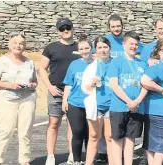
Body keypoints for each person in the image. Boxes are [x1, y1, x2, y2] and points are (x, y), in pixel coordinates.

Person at [0, 33, 37, 165]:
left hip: (27, 99)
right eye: (15, 43)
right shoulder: (2, 61)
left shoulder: (30, 62)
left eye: (21, 43)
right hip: (7, 99)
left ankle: (24, 160)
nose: (18, 45)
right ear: (10, 45)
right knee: (5, 130)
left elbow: (35, 81)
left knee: (25, 131)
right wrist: (9, 85)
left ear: (24, 46)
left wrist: (32, 84)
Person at [40, 17, 78, 165]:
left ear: (73, 29)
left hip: (74, 92)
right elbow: (42, 69)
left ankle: (72, 154)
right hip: (56, 90)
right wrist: (49, 87)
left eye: (68, 27)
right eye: (62, 29)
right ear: (58, 31)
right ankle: (50, 156)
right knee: (54, 123)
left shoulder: (79, 47)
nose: (66, 30)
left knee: (72, 124)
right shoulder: (51, 47)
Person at [107, 31, 148, 165]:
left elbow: (145, 85)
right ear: (124, 44)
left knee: (131, 139)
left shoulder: (142, 64)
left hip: (137, 108)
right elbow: (114, 84)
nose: (134, 47)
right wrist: (129, 101)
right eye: (131, 43)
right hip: (119, 107)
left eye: (136, 44)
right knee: (117, 139)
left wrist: (137, 101)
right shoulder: (116, 62)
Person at [61, 34, 97, 165]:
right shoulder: (74, 65)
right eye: (81, 49)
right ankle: (76, 160)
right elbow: (69, 84)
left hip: (92, 104)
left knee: (90, 134)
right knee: (77, 132)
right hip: (75, 103)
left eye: (86, 48)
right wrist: (65, 100)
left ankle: (89, 160)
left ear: (91, 48)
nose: (84, 51)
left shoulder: (97, 64)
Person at [81, 36, 114, 165]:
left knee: (110, 137)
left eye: (105, 47)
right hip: (97, 106)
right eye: (99, 47)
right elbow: (85, 88)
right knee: (94, 136)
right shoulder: (91, 68)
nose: (103, 50)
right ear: (96, 50)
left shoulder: (116, 64)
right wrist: (92, 84)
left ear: (110, 48)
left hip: (112, 106)